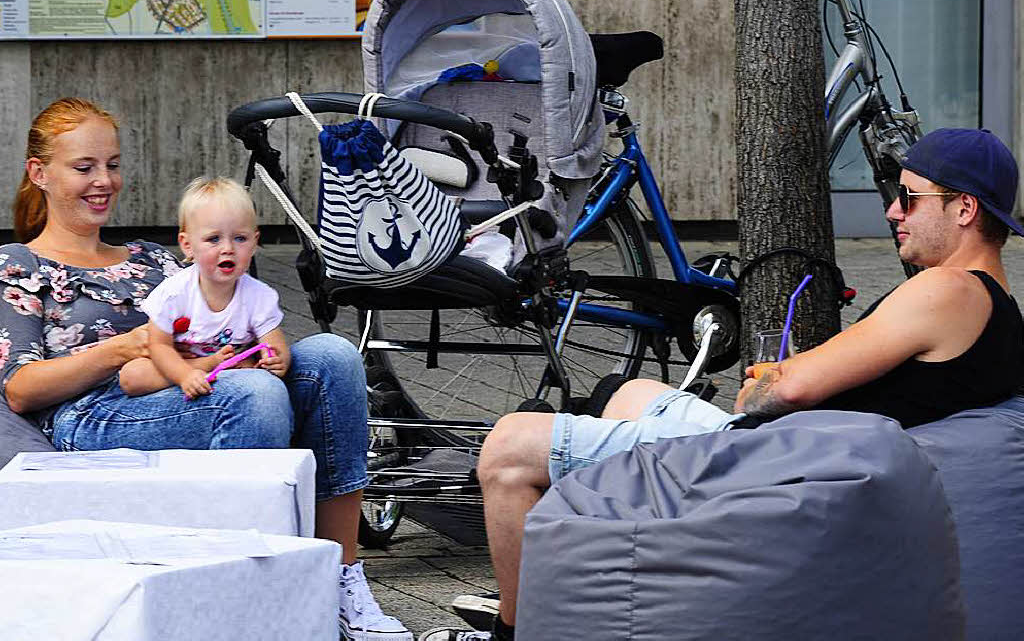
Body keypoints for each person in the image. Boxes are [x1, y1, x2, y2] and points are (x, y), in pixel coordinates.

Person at [421, 128, 1024, 641]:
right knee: (626, 394)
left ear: (964, 209)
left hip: (778, 465)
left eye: (910, 199)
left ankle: (515, 628)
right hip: (816, 455)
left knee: (507, 448)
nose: (893, 211)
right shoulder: (996, 306)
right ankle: (605, 556)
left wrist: (767, 383)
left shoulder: (946, 289)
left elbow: (789, 391)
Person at [0, 98, 413, 641]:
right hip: (96, 414)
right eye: (84, 168)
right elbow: (21, 391)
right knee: (250, 394)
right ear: (40, 174)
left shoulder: (156, 258)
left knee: (333, 358)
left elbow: (234, 314)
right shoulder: (21, 264)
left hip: (201, 381)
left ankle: (341, 581)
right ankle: (253, 604)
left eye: (113, 164)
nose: (104, 181)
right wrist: (126, 348)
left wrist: (263, 345)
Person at [121, 176, 289, 400]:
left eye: (240, 238)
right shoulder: (175, 292)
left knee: (260, 369)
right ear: (188, 245)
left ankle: (225, 371)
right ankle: (209, 366)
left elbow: (274, 344)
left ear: (254, 242)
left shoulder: (258, 295)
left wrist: (279, 361)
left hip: (238, 370)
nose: (228, 248)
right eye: (214, 239)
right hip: (184, 364)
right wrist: (185, 375)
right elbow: (159, 347)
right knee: (133, 375)